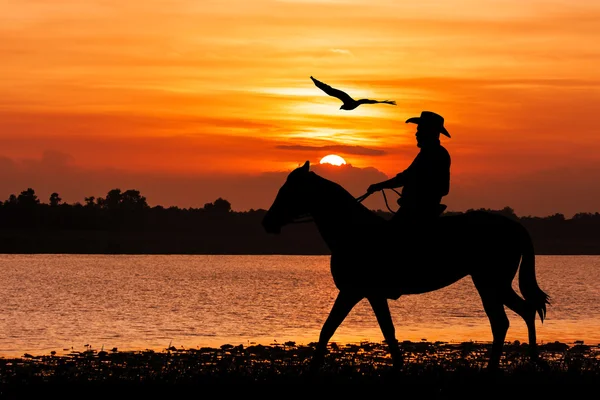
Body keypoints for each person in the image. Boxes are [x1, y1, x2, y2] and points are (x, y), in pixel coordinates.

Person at [367, 111, 451, 226]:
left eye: (420, 130)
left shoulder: (432, 153)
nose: (416, 134)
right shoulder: (433, 152)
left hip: (418, 210)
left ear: (430, 131)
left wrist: (379, 186)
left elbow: (405, 178)